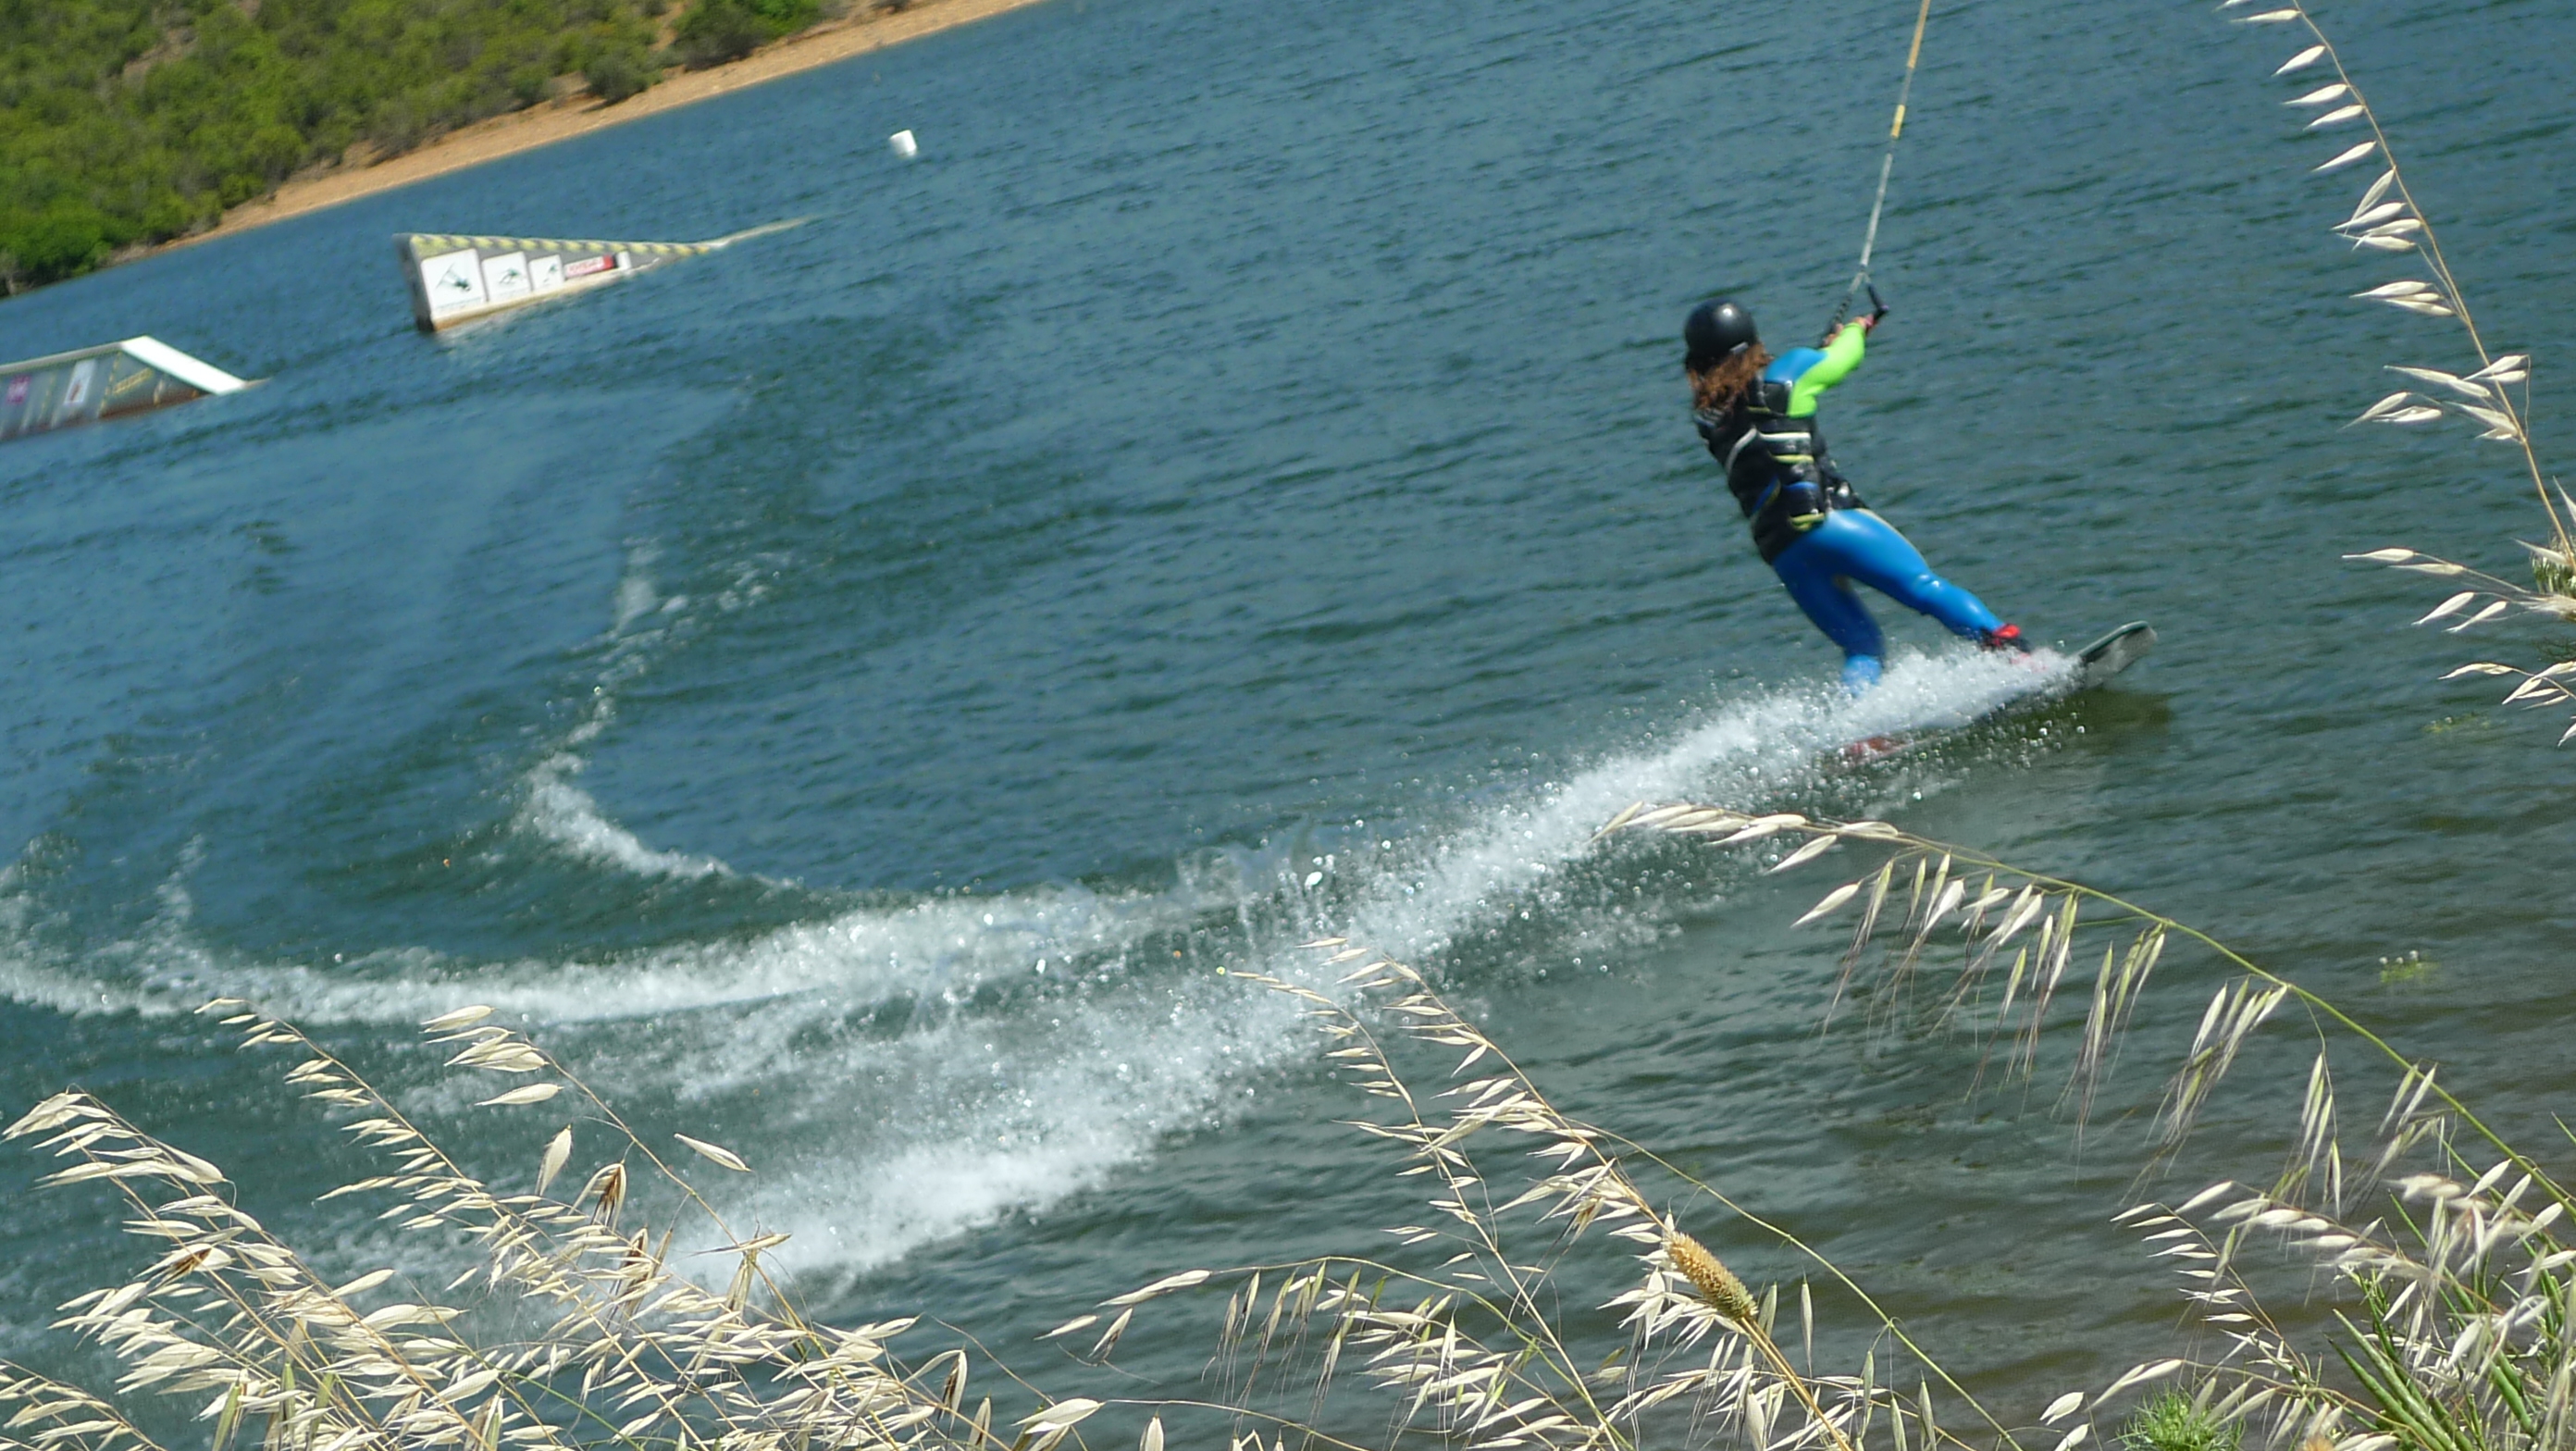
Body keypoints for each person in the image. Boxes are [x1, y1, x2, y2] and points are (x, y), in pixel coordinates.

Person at [1683, 296, 2024, 693]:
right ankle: (2020, 658)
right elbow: (1843, 360)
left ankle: (1856, 735)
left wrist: (1822, 350)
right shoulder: (1788, 371)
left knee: (1862, 648)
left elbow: (1760, 410)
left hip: (1784, 550)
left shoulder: (1710, 420)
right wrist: (1855, 331)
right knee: (1925, 589)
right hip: (1830, 521)